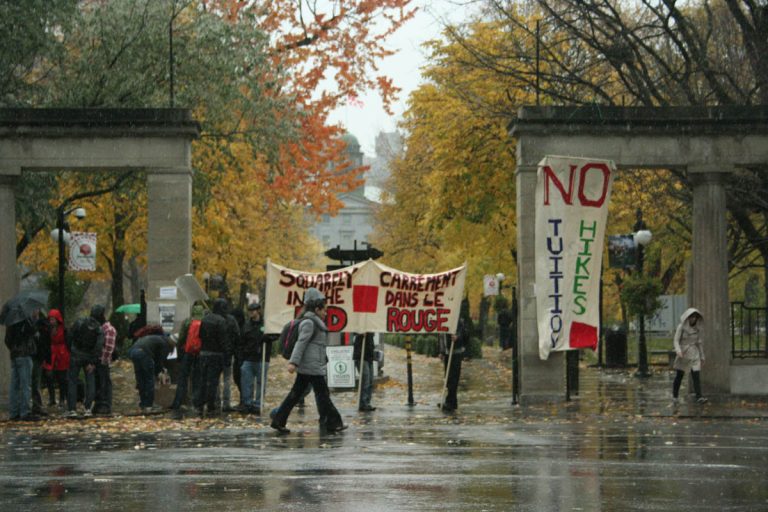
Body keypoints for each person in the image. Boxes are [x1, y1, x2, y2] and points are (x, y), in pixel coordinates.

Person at [270, 288, 346, 434]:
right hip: (311, 367)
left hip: (311, 366)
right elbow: (301, 343)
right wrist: (293, 362)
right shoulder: (309, 323)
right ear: (317, 309)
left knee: (295, 395)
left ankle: (278, 420)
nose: (326, 314)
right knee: (323, 395)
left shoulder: (314, 322)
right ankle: (334, 423)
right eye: (324, 311)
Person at [66, 307, 105, 418]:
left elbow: (69, 336)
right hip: (89, 357)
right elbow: (99, 346)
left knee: (72, 381)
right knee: (90, 382)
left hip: (76, 355)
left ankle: (72, 409)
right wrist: (93, 361)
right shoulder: (99, 329)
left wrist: (72, 350)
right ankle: (88, 408)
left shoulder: (79, 321)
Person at [196, 298, 231, 418]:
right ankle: (210, 406)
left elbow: (200, 335)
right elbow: (224, 341)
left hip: (203, 354)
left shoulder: (205, 319)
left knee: (203, 380)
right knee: (213, 382)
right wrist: (227, 355)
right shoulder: (221, 321)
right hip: (216, 355)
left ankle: (200, 405)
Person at [128, 325, 175, 413]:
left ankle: (143, 404)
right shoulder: (165, 344)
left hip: (133, 351)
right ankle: (149, 405)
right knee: (149, 380)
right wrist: (160, 372)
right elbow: (159, 361)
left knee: (141, 379)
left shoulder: (155, 338)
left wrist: (158, 369)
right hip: (144, 354)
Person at [169, 304, 204, 420]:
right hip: (199, 354)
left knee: (183, 378)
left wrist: (180, 352)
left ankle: (178, 402)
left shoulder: (187, 322)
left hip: (187, 353)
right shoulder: (204, 322)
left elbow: (182, 338)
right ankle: (195, 403)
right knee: (197, 378)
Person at [4, 313, 38, 421]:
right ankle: (25, 412)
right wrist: (34, 319)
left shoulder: (10, 321)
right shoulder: (25, 319)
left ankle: (14, 412)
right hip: (24, 354)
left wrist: (14, 349)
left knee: (14, 385)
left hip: (15, 355)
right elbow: (33, 331)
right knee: (25, 384)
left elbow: (7, 340)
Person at [672, 308, 707, 404]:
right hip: (683, 353)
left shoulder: (698, 328)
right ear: (687, 317)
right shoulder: (681, 327)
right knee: (679, 375)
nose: (693, 319)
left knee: (696, 374)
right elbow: (676, 340)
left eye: (695, 317)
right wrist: (678, 350)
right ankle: (675, 396)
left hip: (694, 353)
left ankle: (699, 396)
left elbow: (699, 343)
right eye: (691, 317)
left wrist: (702, 356)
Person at [239, 303, 270, 414]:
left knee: (261, 383)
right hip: (249, 358)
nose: (251, 312)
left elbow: (275, 335)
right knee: (246, 382)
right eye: (249, 310)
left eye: (253, 310)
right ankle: (247, 403)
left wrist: (268, 337)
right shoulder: (246, 325)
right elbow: (241, 341)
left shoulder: (266, 324)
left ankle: (258, 404)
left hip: (262, 358)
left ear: (258, 311)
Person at [439, 306, 470, 413]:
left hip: (456, 352)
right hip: (448, 353)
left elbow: (463, 332)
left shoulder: (457, 320)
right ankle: (451, 400)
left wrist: (457, 337)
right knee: (448, 377)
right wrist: (442, 351)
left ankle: (451, 402)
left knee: (453, 378)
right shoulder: (443, 320)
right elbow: (441, 337)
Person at [42, 309, 69, 409]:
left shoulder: (64, 329)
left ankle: (62, 399)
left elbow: (67, 341)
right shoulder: (46, 329)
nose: (51, 321)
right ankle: (52, 398)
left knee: (62, 377)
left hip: (62, 353)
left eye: (53, 319)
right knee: (49, 375)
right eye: (50, 319)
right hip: (51, 353)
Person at [93, 306, 116, 415]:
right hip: (99, 359)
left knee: (105, 383)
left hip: (103, 360)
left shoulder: (109, 329)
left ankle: (106, 405)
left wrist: (104, 360)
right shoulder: (101, 328)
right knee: (101, 383)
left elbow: (109, 347)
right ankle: (100, 404)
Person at [220, 302, 241, 413]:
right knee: (227, 379)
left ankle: (215, 402)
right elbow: (237, 335)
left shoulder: (213, 318)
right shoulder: (231, 320)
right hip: (228, 353)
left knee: (215, 380)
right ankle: (226, 403)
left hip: (216, 353)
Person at [353, 332, 376, 412]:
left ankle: (367, 402)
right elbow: (354, 332)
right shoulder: (361, 327)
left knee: (370, 380)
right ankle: (363, 403)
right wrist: (360, 334)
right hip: (361, 356)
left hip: (369, 356)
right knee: (365, 379)